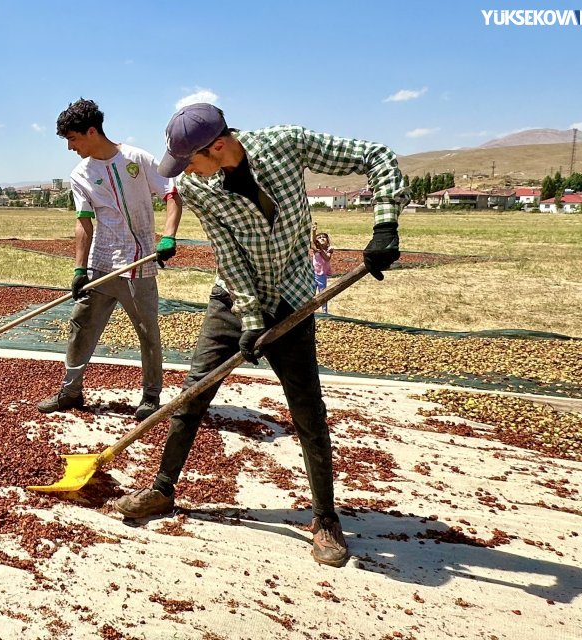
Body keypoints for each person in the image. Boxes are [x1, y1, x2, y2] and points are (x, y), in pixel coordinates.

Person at [112, 103, 405, 568]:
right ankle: (162, 489)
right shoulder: (196, 186)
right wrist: (250, 319)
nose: (186, 171)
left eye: (192, 159)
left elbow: (376, 155)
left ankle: (326, 519)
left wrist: (385, 223)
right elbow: (229, 254)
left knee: (307, 410)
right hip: (234, 299)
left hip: (291, 296)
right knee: (192, 396)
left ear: (219, 146)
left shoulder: (285, 144)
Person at [36, 98, 183, 421]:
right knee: (81, 325)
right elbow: (84, 222)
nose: (70, 147)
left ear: (91, 131)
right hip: (102, 265)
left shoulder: (137, 159)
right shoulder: (81, 175)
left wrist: (169, 235)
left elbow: (171, 195)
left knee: (148, 332)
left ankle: (150, 396)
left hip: (139, 264)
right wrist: (79, 269)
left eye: (73, 139)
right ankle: (71, 392)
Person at [311, 232, 334, 313]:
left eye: (324, 237)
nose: (322, 238)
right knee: (311, 294)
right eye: (319, 237)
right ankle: (310, 311)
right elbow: (313, 241)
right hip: (313, 274)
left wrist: (321, 249)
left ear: (327, 240)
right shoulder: (315, 249)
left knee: (323, 294)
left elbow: (327, 258)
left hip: (322, 275)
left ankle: (325, 311)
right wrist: (314, 232)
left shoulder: (329, 249)